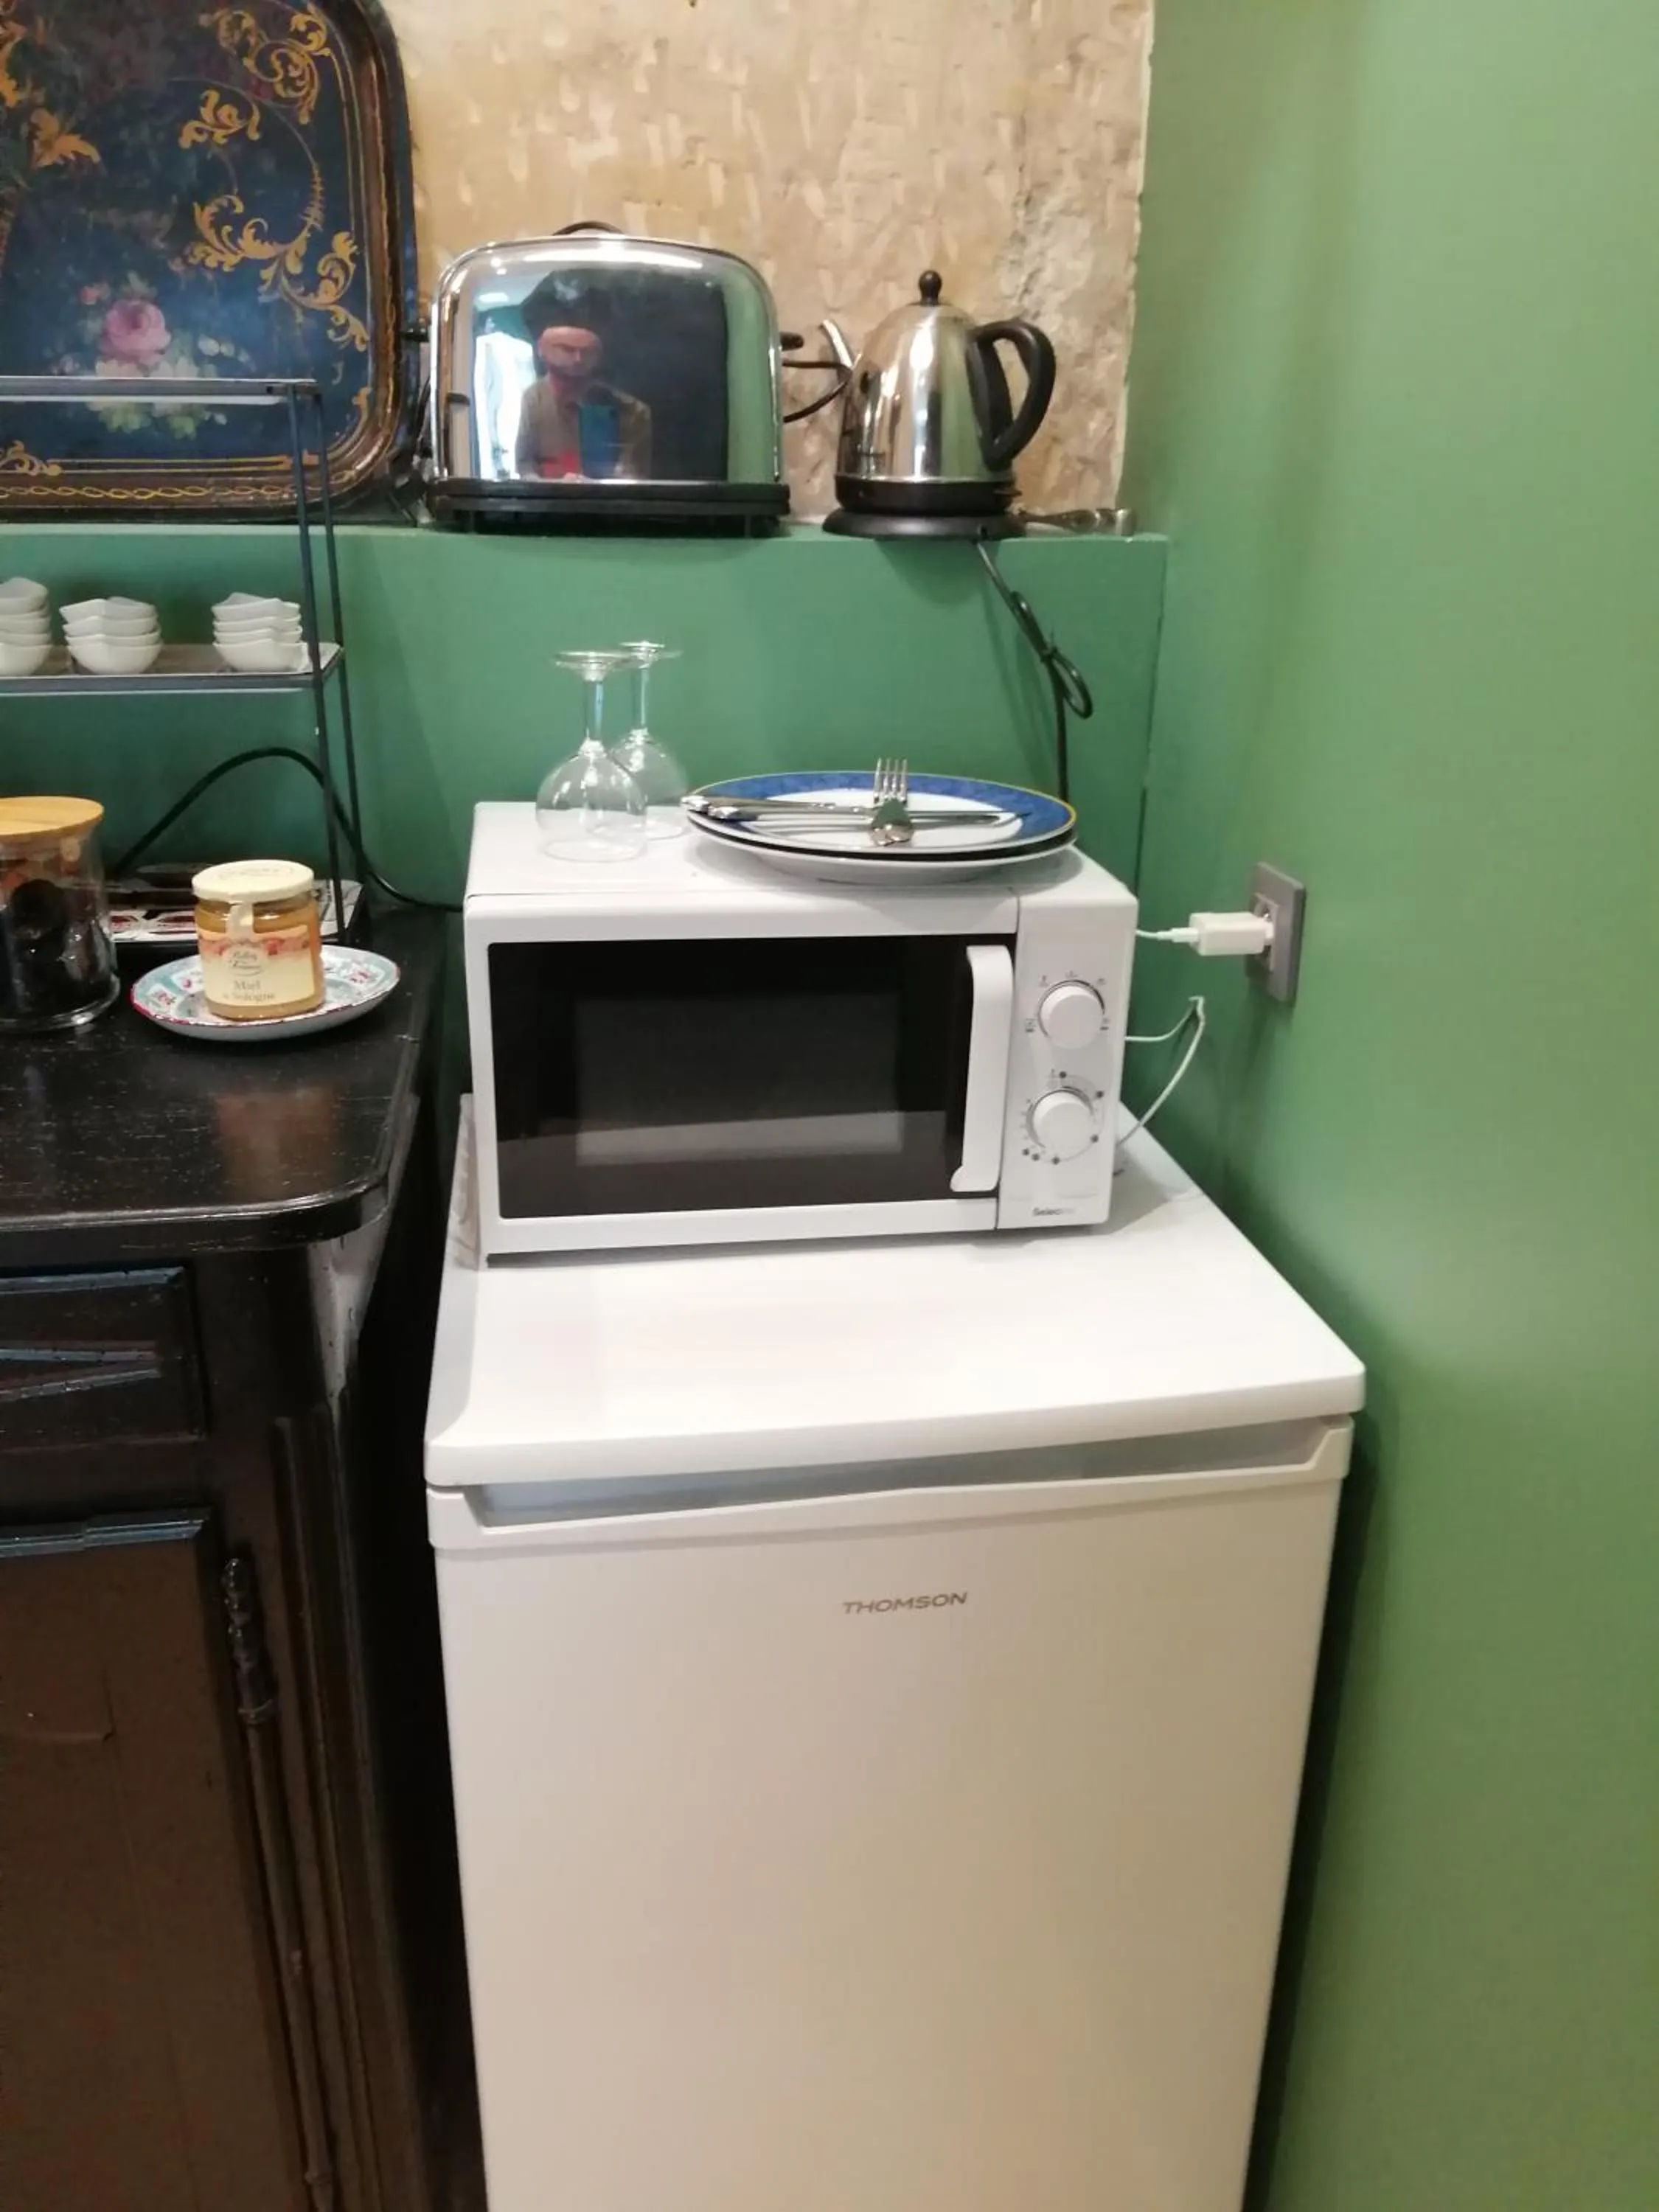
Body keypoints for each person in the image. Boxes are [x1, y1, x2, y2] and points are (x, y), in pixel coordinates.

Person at [515, 324, 652, 480]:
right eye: (567, 349)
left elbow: (632, 475)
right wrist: (551, 488)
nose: (578, 359)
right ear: (542, 350)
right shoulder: (534, 398)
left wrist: (592, 488)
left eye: (588, 352)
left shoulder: (631, 411)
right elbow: (525, 465)